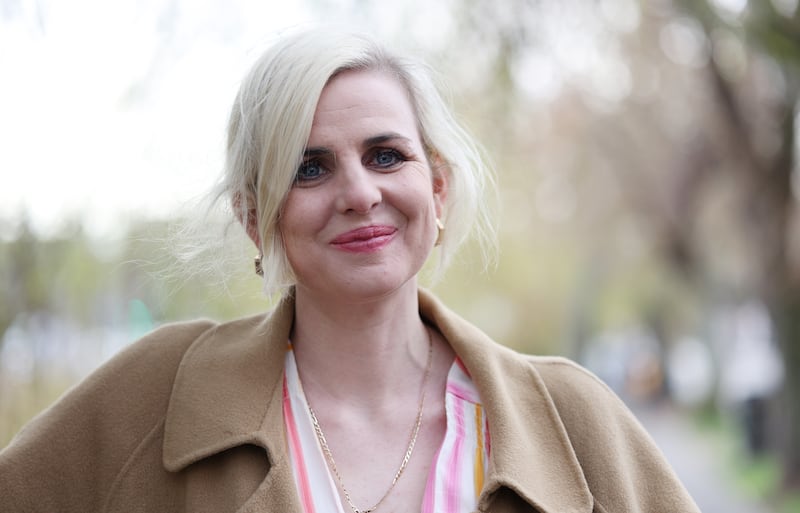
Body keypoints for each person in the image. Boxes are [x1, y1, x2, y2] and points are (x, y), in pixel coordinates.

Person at [0, 28, 701, 513]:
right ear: (256, 216)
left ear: (439, 189)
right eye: (310, 167)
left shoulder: (574, 421)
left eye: (387, 154)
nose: (360, 192)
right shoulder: (156, 395)